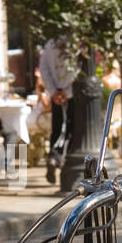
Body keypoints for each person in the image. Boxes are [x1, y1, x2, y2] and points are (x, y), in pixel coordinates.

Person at [38, 38, 74, 183]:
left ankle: (54, 157)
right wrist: (65, 91)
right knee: (71, 128)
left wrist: (54, 91)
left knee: (58, 127)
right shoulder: (74, 43)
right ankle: (62, 160)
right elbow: (76, 69)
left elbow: (43, 69)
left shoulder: (49, 45)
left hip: (57, 94)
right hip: (68, 94)